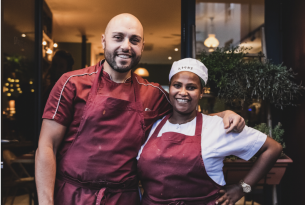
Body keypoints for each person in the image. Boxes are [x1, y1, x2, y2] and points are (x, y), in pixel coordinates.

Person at [35, 14, 246, 205]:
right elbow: (47, 145)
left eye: (134, 40)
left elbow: (188, 115)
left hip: (125, 198)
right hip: (72, 196)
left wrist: (223, 115)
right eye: (118, 37)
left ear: (142, 46)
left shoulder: (153, 93)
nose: (126, 46)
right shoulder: (71, 83)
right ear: (103, 41)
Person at [137, 58, 283, 205]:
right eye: (177, 85)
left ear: (201, 93)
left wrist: (242, 188)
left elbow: (273, 148)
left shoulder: (219, 127)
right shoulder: (153, 125)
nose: (183, 92)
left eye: (191, 87)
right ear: (170, 89)